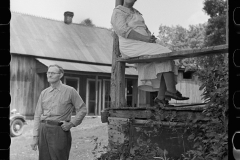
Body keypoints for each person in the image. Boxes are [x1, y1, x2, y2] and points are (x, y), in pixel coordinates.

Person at [111, 0, 189, 107]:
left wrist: (150, 38)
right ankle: (171, 90)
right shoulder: (118, 12)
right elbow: (123, 31)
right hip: (130, 45)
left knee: (163, 57)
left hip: (143, 43)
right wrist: (145, 38)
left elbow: (144, 28)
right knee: (165, 53)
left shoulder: (136, 13)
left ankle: (161, 98)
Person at [30, 64, 87, 160]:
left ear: (60, 75)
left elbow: (82, 109)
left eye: (53, 73)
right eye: (48, 72)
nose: (49, 75)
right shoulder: (44, 93)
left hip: (59, 130)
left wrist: (72, 123)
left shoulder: (70, 91)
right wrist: (35, 136)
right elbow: (37, 115)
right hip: (43, 129)